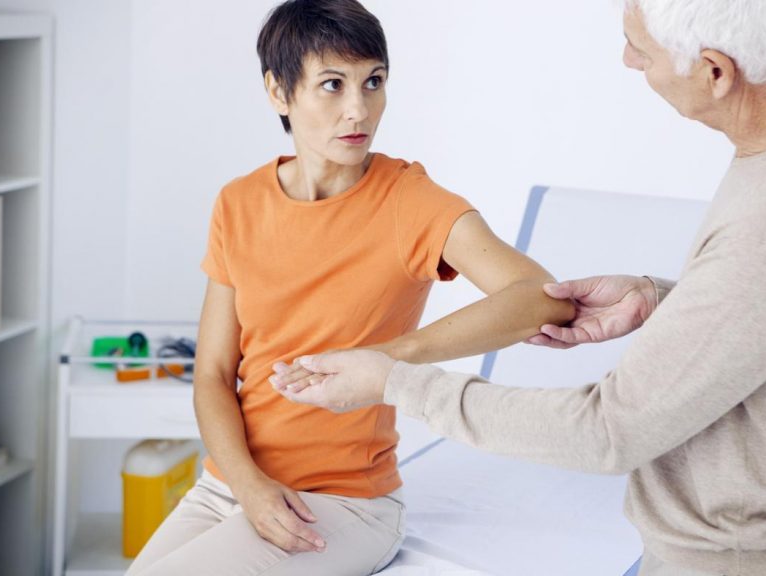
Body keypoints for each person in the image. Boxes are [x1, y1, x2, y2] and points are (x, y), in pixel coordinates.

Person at [283, 1, 766, 575]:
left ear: (716, 72)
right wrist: (664, 297)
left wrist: (396, 382)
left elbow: (606, 433)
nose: (629, 60)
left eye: (641, 49)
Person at [125, 1, 573, 575]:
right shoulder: (238, 203)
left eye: (373, 82)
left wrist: (390, 358)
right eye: (332, 85)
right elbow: (212, 372)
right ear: (279, 92)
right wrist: (248, 485)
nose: (359, 109)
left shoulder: (408, 200)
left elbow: (540, 296)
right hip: (229, 486)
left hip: (345, 503)